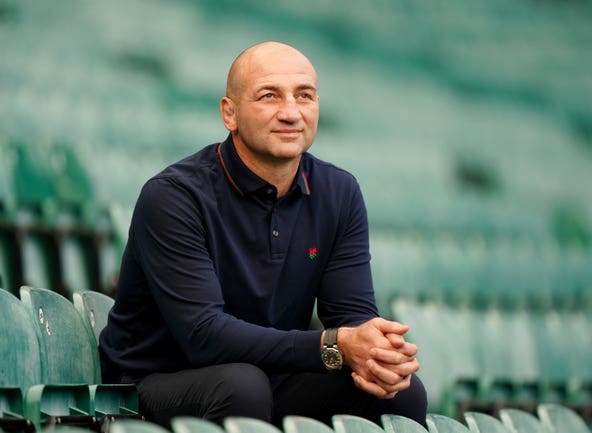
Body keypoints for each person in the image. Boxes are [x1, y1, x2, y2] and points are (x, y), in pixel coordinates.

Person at [98, 41, 427, 429]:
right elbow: (204, 336)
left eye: (304, 96)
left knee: (401, 392)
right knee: (242, 386)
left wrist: (376, 353)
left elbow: (351, 318)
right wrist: (331, 346)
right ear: (229, 114)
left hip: (269, 378)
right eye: (269, 96)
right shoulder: (174, 196)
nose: (290, 113)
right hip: (150, 386)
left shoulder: (339, 192)